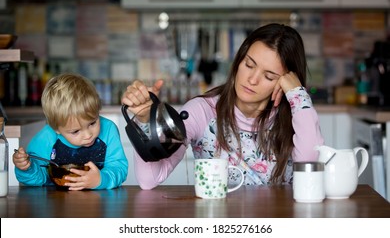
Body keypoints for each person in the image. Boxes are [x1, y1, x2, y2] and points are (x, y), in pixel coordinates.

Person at [122, 23, 324, 190]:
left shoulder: (296, 115)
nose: (252, 79)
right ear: (238, 61)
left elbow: (308, 164)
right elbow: (149, 180)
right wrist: (145, 121)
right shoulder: (201, 111)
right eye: (249, 65)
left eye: (269, 76)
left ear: (285, 82)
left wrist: (298, 94)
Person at [13, 73, 128, 190]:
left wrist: (101, 180)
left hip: (100, 203)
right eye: (75, 131)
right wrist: (27, 168)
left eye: (92, 123)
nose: (88, 135)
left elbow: (118, 167)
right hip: (56, 205)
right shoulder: (46, 137)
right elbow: (38, 179)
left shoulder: (108, 130)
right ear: (56, 129)